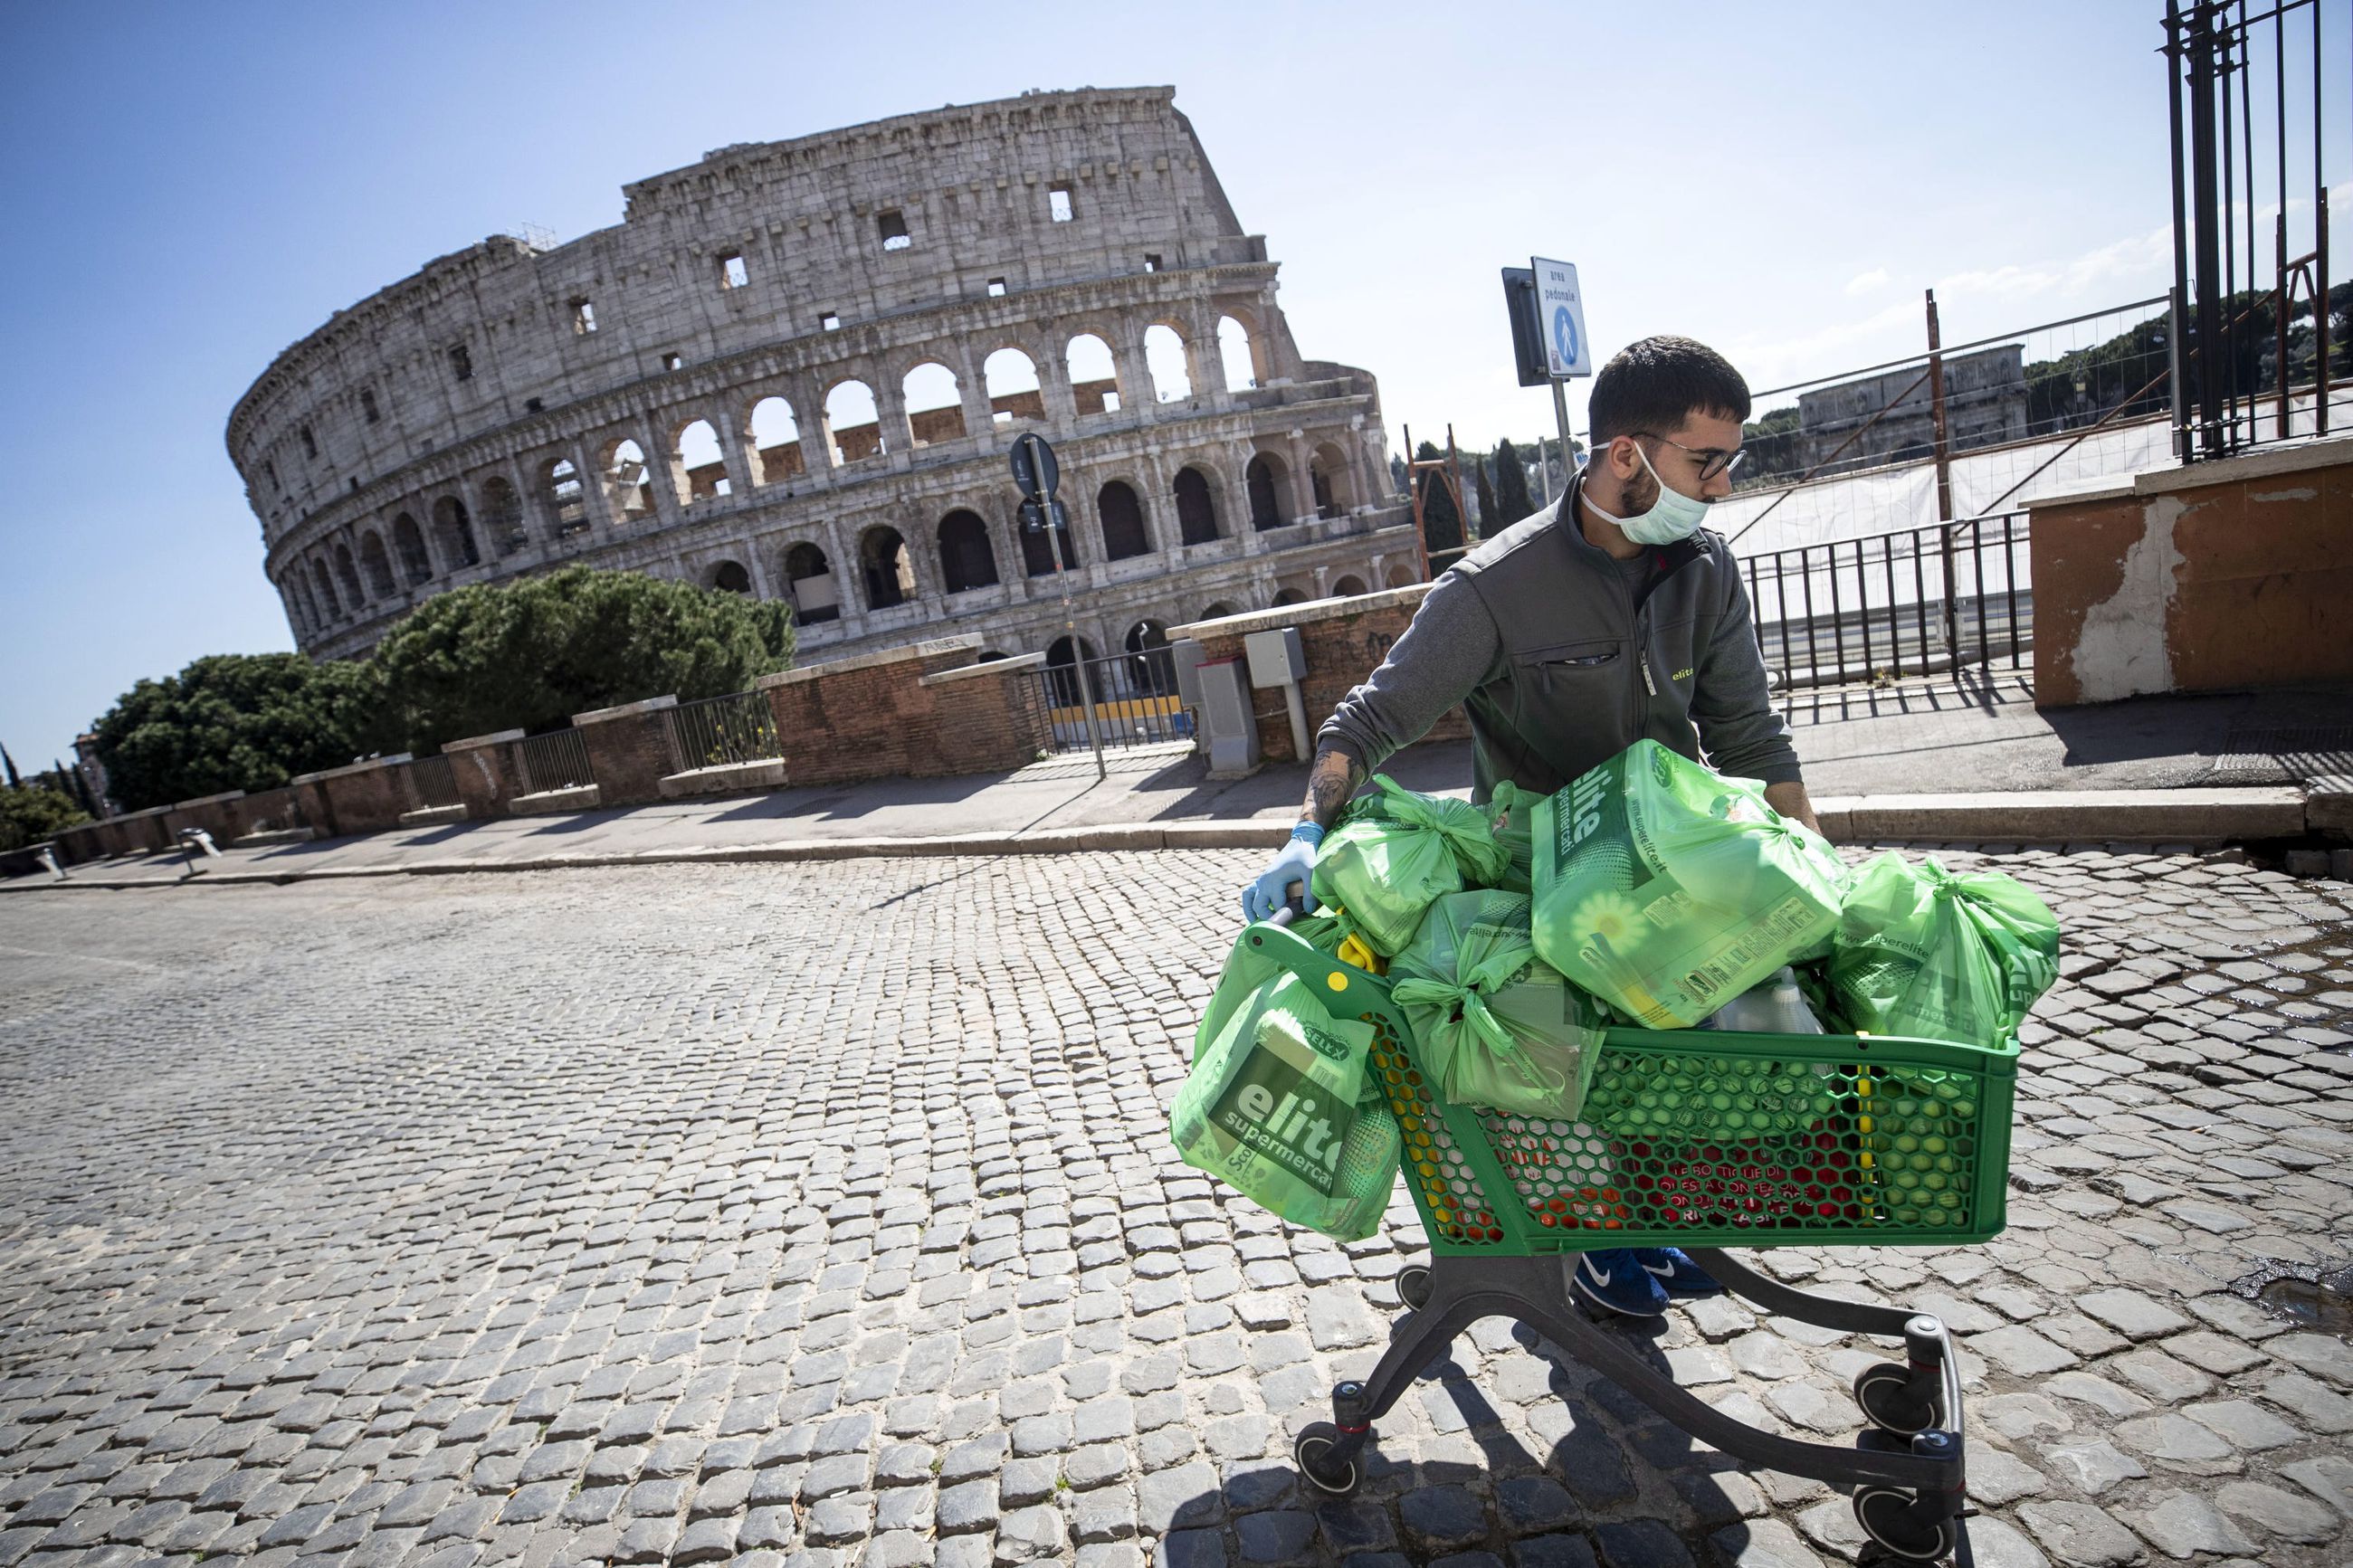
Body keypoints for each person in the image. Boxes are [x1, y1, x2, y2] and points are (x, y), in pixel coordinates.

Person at [1240, 335, 1819, 1319]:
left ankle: (1659, 1216)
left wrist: (1815, 868)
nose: (1720, 486)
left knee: (1692, 1057)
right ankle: (1604, 1240)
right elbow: (1364, 723)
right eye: (1703, 460)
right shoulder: (1494, 589)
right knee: (1582, 1076)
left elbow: (1750, 735)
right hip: (1542, 887)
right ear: (1627, 454)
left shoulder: (1703, 569)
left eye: (1731, 460)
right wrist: (1305, 834)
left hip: (1679, 878)